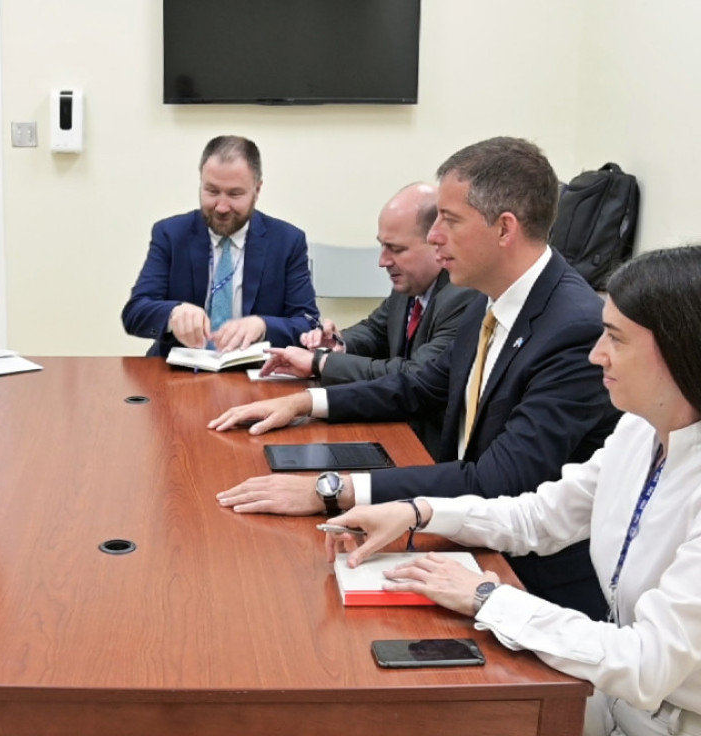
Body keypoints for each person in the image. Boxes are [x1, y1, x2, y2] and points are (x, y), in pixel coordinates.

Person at [210, 137, 621, 619]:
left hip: (531, 583)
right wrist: (307, 402)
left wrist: (332, 489)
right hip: (459, 534)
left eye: (449, 220)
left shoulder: (573, 329)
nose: (436, 236)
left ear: (504, 228)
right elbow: (421, 386)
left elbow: (498, 479)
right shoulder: (491, 297)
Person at [323, 245, 701, 736]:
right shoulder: (638, 430)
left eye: (615, 338)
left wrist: (486, 597)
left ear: (680, 349)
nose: (596, 355)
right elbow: (540, 516)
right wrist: (418, 512)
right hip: (611, 698)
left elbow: (647, 663)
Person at [259, 182, 480, 455]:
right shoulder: (411, 284)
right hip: (394, 424)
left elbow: (416, 375)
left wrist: (322, 362)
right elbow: (375, 330)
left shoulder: (464, 295)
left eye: (396, 249)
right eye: (382, 246)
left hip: (428, 449)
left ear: (437, 243)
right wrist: (338, 344)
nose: (383, 261)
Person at [121, 135, 319, 357]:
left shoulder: (287, 241)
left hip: (256, 369)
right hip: (180, 367)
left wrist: (263, 325)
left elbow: (308, 324)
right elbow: (135, 313)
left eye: (235, 194)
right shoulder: (171, 234)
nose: (222, 207)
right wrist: (172, 314)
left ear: (257, 190)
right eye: (212, 191)